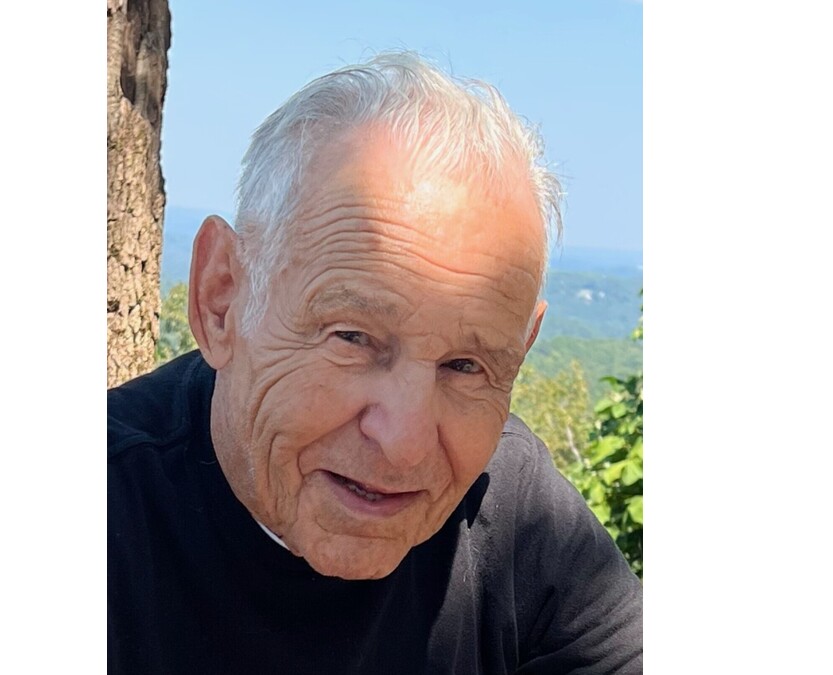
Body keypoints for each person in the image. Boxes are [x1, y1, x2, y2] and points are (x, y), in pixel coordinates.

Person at [108, 52, 643, 674]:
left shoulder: (514, 511)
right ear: (221, 299)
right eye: (353, 337)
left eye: (465, 366)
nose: (406, 446)